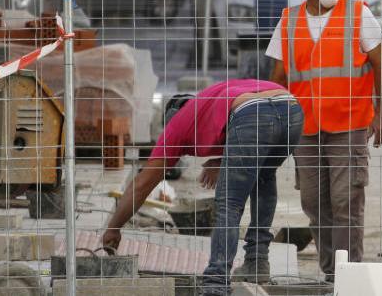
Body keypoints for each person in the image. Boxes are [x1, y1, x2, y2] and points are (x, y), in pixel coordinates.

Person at [102, 81, 303, 294]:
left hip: (252, 114)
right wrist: (221, 161)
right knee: (264, 178)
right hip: (290, 109)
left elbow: (142, 184)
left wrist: (113, 227)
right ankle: (257, 262)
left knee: (229, 203)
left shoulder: (177, 125)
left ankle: (216, 283)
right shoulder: (207, 103)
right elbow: (252, 132)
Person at [267, 0, 382, 278]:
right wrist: (273, 122)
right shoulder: (289, 21)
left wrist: (381, 115)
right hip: (305, 128)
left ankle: (346, 273)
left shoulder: (357, 13)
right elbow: (278, 78)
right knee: (314, 202)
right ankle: (329, 272)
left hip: (349, 125)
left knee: (346, 201)